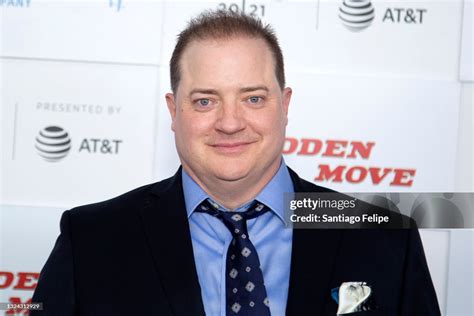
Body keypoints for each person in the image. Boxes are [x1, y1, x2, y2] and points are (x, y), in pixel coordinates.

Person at [31, 10, 440, 316]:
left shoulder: (385, 239)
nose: (229, 123)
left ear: (285, 106)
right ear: (174, 112)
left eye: (253, 98)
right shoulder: (90, 239)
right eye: (205, 101)